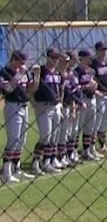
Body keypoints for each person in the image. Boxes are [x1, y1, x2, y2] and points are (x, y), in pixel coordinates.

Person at [1, 51, 33, 184]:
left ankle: (16, 168)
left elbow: (30, 88)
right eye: (21, 61)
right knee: (13, 139)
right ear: (14, 60)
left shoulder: (24, 72)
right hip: (12, 106)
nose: (23, 64)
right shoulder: (5, 72)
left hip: (24, 106)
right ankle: (6, 172)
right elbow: (8, 88)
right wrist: (19, 74)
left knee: (22, 140)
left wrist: (35, 78)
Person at [32, 47, 65, 175]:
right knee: (45, 136)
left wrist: (61, 104)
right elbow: (33, 89)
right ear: (47, 57)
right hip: (44, 106)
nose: (55, 60)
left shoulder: (57, 73)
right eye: (53, 57)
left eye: (57, 58)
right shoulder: (41, 71)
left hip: (55, 106)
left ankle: (48, 162)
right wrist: (34, 104)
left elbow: (61, 89)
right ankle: (35, 163)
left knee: (53, 137)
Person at [74, 50, 101, 162]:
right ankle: (74, 151)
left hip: (92, 99)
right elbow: (75, 88)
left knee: (90, 127)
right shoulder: (76, 71)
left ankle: (87, 150)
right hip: (82, 100)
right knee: (78, 127)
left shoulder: (91, 71)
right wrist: (86, 87)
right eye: (88, 58)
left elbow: (95, 83)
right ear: (82, 58)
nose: (90, 60)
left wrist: (94, 86)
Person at [90, 41, 107, 157]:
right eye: (101, 50)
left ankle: (102, 145)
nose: (104, 52)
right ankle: (92, 147)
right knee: (97, 122)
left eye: (105, 50)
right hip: (99, 96)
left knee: (105, 121)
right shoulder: (93, 65)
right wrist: (96, 92)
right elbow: (91, 80)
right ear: (97, 51)